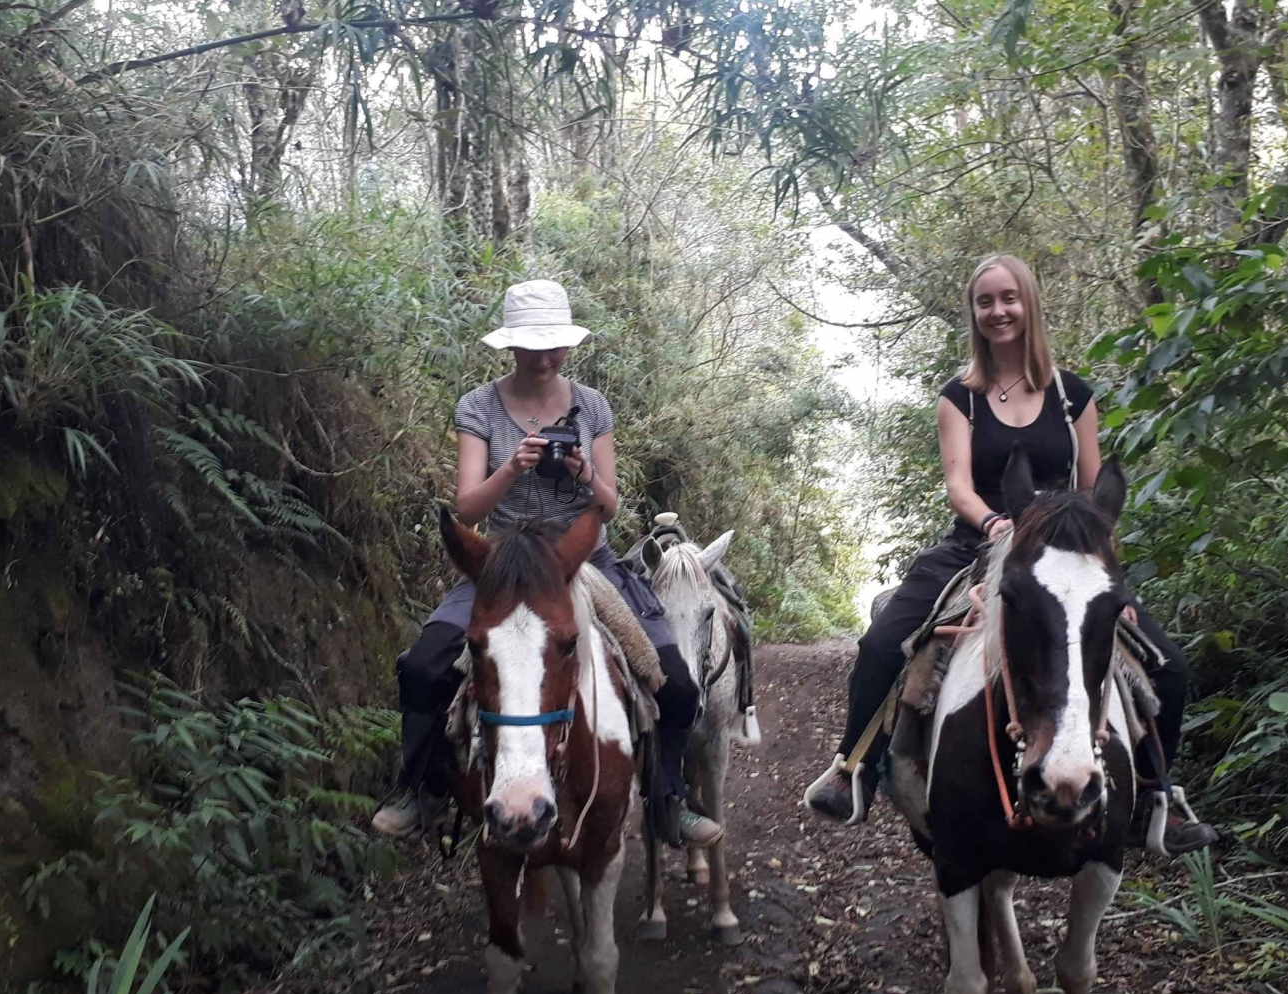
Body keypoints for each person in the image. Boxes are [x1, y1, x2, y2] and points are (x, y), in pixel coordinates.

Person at [803, 254, 1216, 856]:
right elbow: (959, 487)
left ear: (1029, 305)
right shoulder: (959, 398)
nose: (997, 311)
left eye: (1008, 299)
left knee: (1169, 666)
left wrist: (1112, 583)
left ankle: (1157, 799)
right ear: (974, 313)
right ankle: (854, 769)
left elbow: (1095, 498)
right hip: (977, 542)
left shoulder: (1074, 397)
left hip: (1066, 557)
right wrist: (999, 525)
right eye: (985, 302)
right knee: (881, 645)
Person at [372, 279, 721, 850]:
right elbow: (468, 508)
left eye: (554, 346)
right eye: (532, 346)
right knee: (423, 669)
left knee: (674, 679)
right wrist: (512, 467)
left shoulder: (593, 405)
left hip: (583, 556)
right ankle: (421, 788)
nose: (544, 357)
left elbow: (609, 505)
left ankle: (667, 797)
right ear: (511, 345)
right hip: (503, 561)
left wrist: (585, 473)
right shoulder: (478, 406)